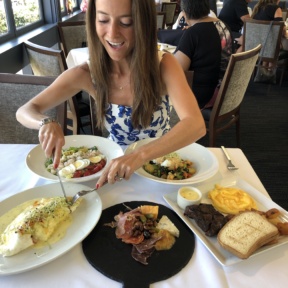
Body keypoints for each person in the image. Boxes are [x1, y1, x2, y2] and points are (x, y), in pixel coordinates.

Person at [16, 0, 206, 187]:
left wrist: (139, 156)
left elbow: (196, 124)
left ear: (143, 24)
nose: (113, 33)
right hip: (113, 173)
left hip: (160, 168)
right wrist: (45, 123)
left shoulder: (163, 64)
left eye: (126, 22)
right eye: (103, 20)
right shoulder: (86, 74)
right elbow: (25, 110)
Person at [173, 0, 233, 109]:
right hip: (225, 93)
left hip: (203, 97)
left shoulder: (193, 33)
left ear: (185, 13)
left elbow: (176, 71)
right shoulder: (223, 25)